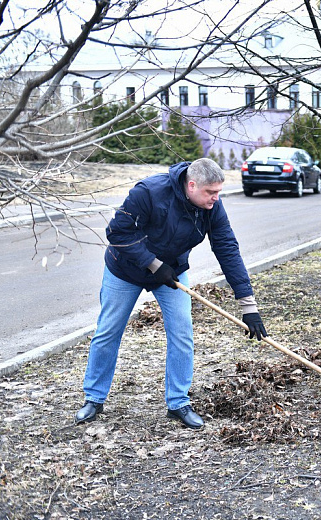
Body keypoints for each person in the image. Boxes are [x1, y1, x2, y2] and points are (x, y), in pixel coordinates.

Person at [75, 158, 267, 429]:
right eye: (210, 192)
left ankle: (178, 402)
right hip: (125, 269)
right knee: (108, 331)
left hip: (171, 273)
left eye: (218, 192)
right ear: (191, 185)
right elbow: (116, 232)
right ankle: (93, 398)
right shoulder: (149, 192)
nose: (216, 198)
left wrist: (249, 306)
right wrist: (153, 264)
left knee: (182, 332)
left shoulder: (212, 207)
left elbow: (227, 249)